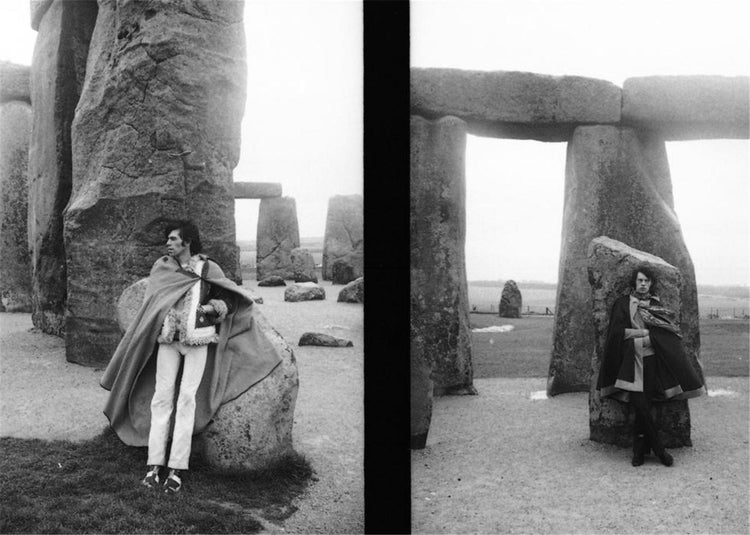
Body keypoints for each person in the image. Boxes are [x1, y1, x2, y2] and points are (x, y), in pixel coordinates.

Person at [101, 220, 282, 493]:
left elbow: (227, 302)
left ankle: (176, 469)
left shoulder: (209, 268)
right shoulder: (163, 268)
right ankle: (154, 465)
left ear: (187, 241)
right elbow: (154, 303)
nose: (168, 243)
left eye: (173, 239)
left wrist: (210, 309)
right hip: (167, 342)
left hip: (198, 341)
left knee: (187, 400)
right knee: (161, 399)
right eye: (168, 239)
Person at [597, 265, 705, 467]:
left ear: (651, 283)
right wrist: (643, 334)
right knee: (640, 405)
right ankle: (659, 450)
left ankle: (639, 452)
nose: (643, 284)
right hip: (631, 364)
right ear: (634, 282)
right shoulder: (622, 304)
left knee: (645, 407)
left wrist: (651, 335)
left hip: (653, 362)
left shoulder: (656, 305)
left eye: (646, 281)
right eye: (640, 280)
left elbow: (665, 334)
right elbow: (616, 334)